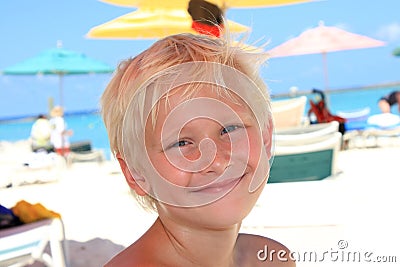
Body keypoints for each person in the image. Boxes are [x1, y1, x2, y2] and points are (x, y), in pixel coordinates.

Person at [101, 33, 295, 266]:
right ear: (135, 174)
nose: (217, 161)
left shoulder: (272, 259)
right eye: (182, 143)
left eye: (230, 129)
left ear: (265, 137)